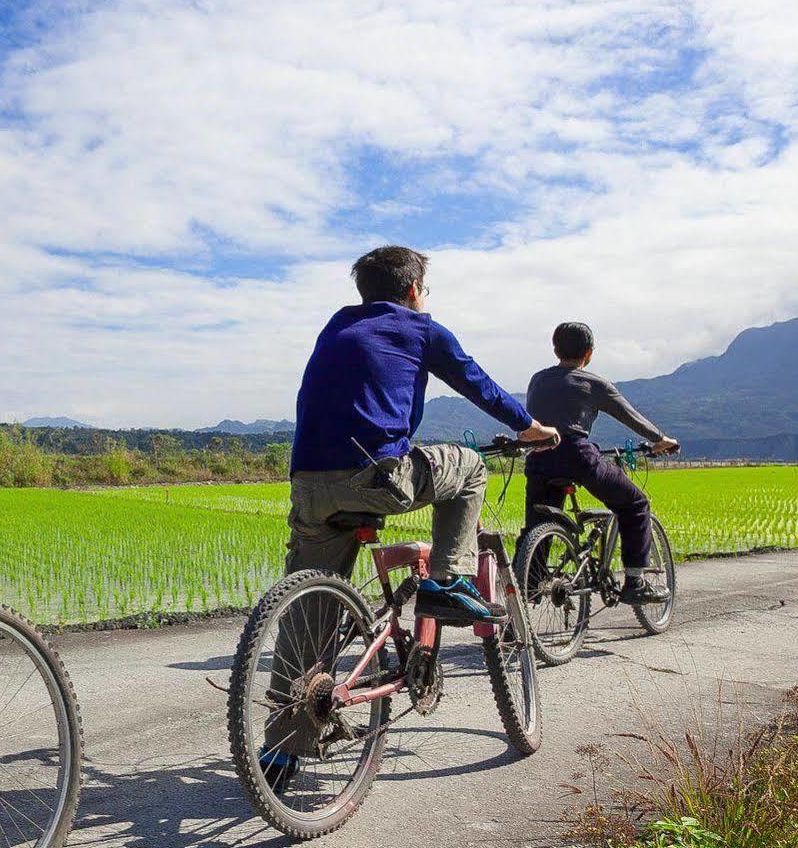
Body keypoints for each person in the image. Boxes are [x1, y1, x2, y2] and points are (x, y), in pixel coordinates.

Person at [286, 245, 559, 625]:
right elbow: (478, 385)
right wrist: (529, 427)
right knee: (472, 466)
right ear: (415, 289)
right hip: (374, 478)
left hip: (307, 487)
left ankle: (291, 684)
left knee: (306, 616)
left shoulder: (337, 325)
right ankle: (446, 581)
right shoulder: (422, 330)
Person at [522, 321, 679, 603]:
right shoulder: (593, 383)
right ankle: (635, 581)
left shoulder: (538, 379)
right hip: (576, 456)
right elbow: (630, 416)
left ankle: (530, 582)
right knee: (635, 504)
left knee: (537, 523)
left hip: (539, 459)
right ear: (589, 353)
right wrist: (660, 438)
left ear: (555, 350)